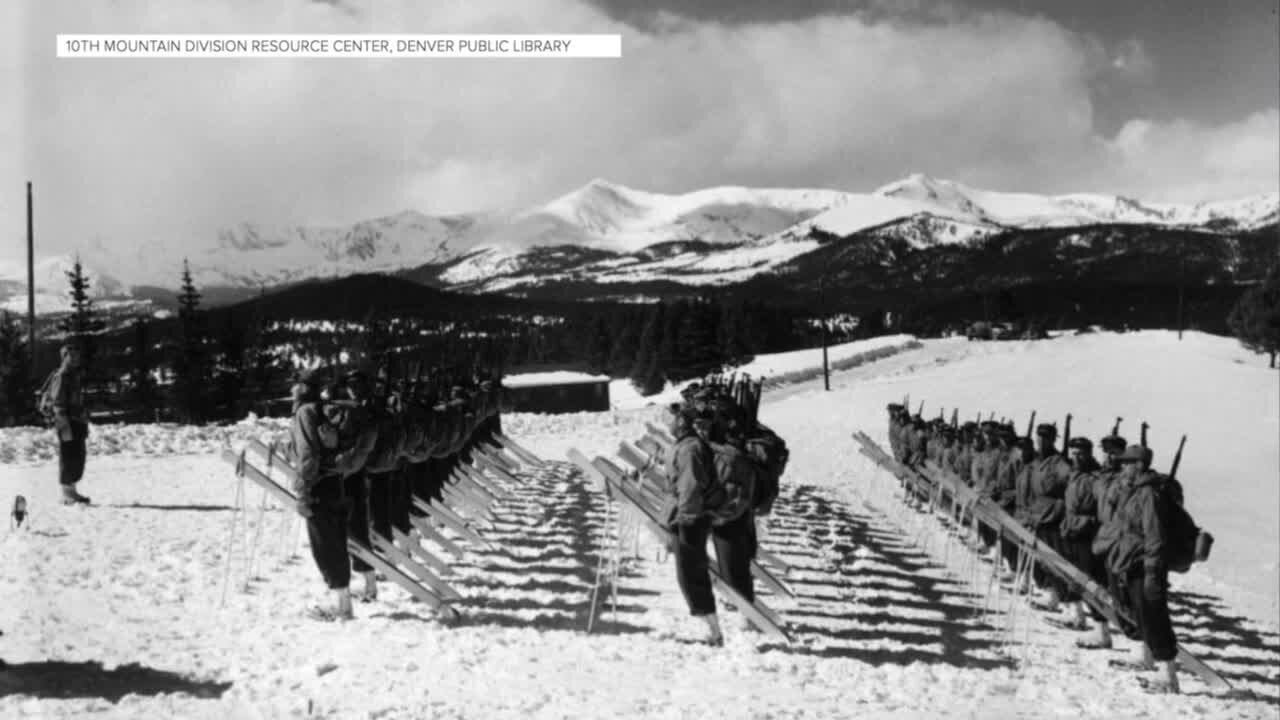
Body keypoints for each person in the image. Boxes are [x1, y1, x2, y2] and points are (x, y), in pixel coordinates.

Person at [1106, 445, 1181, 694]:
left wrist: (1152, 573)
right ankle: (1145, 658)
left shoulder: (1149, 494)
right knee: (1140, 613)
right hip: (1131, 561)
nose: (1122, 467)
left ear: (1139, 465)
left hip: (1147, 564)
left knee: (1154, 616)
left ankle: (1168, 676)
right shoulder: (1132, 491)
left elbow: (1154, 536)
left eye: (1127, 462)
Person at [662, 404, 725, 646]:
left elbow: (690, 487)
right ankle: (711, 627)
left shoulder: (690, 449)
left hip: (691, 519)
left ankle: (713, 630)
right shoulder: (686, 445)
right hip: (687, 516)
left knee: (691, 575)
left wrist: (684, 520)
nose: (668, 422)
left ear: (681, 423)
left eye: (672, 418)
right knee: (689, 574)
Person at [289, 370, 349, 621]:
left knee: (323, 547)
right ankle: (344, 604)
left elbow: (307, 454)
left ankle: (339, 607)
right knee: (337, 543)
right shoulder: (327, 409)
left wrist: (303, 489)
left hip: (318, 486)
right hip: (336, 482)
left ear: (302, 388)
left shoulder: (305, 412)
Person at [48, 345, 91, 505]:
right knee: (68, 456)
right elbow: (58, 403)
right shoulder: (62, 376)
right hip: (67, 421)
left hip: (78, 421)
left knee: (78, 456)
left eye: (76, 355)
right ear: (64, 357)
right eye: (70, 355)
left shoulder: (74, 375)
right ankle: (66, 494)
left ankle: (72, 491)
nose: (74, 358)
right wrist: (63, 425)